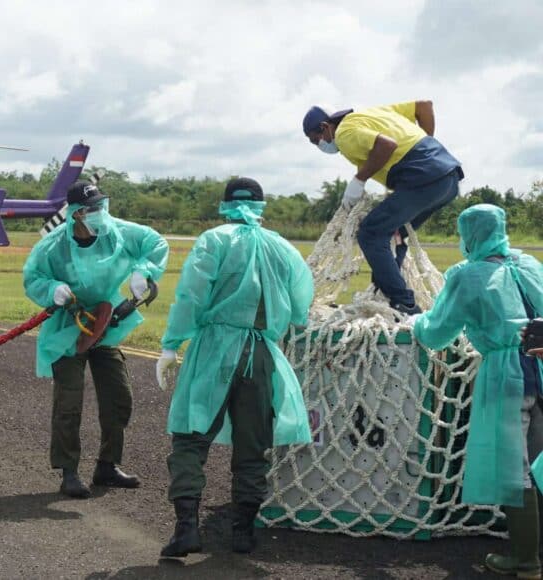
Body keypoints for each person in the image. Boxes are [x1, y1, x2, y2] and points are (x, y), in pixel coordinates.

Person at [155, 177, 314, 556]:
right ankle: (243, 532)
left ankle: (186, 530)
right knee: (252, 445)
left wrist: (171, 344)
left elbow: (192, 295)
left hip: (214, 349)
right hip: (261, 352)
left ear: (225, 204)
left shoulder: (213, 240)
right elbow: (300, 308)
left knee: (191, 437)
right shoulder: (283, 247)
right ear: (261, 205)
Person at [411, 204, 543, 578]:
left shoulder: (467, 276)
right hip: (542, 364)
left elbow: (438, 331)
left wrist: (416, 321)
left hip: (509, 375)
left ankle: (526, 560)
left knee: (515, 468)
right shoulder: (529, 265)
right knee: (541, 463)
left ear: (469, 235)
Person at [23, 180, 169, 498]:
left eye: (102, 205)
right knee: (69, 402)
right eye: (92, 208)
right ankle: (69, 472)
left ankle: (107, 466)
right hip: (68, 327)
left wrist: (144, 271)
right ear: (76, 214)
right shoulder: (52, 247)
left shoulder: (118, 232)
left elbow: (156, 244)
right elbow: (32, 277)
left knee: (119, 397)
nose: (100, 213)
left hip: (105, 323)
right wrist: (51, 290)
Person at [302, 101, 463, 314]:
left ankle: (403, 303)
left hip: (423, 178)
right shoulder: (374, 114)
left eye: (316, 140)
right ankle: (386, 293)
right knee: (395, 232)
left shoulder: (344, 133)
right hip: (448, 179)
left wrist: (359, 180)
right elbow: (424, 106)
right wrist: (427, 148)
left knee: (370, 233)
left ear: (325, 127)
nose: (319, 145)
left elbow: (386, 146)